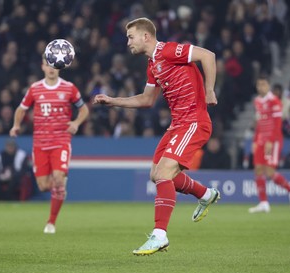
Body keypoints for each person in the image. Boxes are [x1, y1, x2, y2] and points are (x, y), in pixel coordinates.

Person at [93, 17, 220, 256]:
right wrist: (113, 101)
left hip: (194, 121)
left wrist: (210, 89)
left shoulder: (170, 50)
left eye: (131, 37)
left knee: (164, 173)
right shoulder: (152, 65)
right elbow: (146, 99)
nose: (128, 41)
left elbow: (208, 56)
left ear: (146, 36)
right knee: (156, 175)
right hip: (178, 125)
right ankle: (205, 194)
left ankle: (159, 235)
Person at [10, 55, 89, 234]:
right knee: (44, 186)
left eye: (54, 65)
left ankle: (51, 222)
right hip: (40, 144)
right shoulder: (35, 89)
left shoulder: (69, 88)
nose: (51, 68)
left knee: (59, 179)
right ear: (43, 67)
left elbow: (84, 108)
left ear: (59, 67)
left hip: (61, 140)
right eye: (48, 64)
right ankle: (59, 189)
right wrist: (15, 125)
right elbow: (21, 109)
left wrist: (76, 123)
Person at [249, 75, 290, 213]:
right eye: (259, 84)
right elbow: (259, 123)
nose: (261, 87)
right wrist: (255, 141)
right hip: (261, 139)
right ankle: (264, 202)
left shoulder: (275, 101)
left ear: (269, 86)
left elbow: (278, 124)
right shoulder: (257, 101)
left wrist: (270, 141)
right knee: (258, 169)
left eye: (264, 84)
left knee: (269, 171)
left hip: (273, 140)